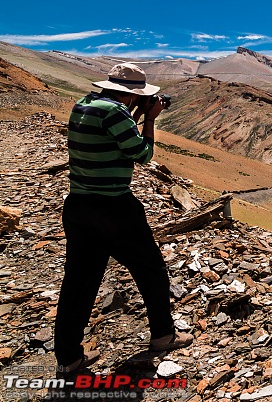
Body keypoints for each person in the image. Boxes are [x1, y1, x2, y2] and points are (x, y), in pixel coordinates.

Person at [55, 63, 192, 378]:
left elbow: (110, 141)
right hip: (114, 206)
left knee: (79, 282)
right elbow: (142, 154)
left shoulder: (84, 105)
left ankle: (68, 359)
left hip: (78, 206)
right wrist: (150, 121)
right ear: (133, 95)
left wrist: (137, 114)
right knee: (151, 270)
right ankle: (162, 335)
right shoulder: (117, 114)